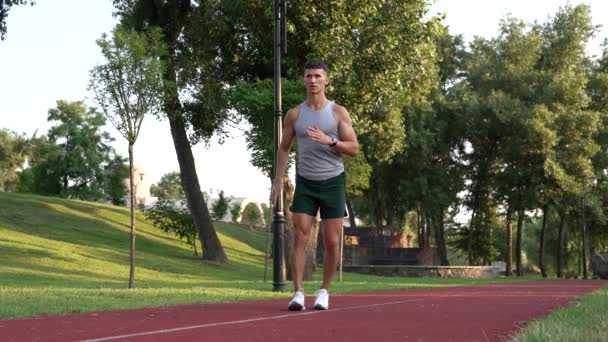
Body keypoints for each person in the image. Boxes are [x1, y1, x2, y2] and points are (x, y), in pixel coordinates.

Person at [272, 60, 358, 311]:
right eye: (308, 76)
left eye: (317, 76)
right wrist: (278, 179)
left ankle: (324, 291)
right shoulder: (294, 114)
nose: (312, 80)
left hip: (333, 182)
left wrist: (330, 141)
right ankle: (298, 292)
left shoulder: (338, 112)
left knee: (331, 241)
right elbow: (284, 148)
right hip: (306, 182)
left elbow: (353, 148)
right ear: (304, 80)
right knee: (300, 235)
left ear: (326, 80)